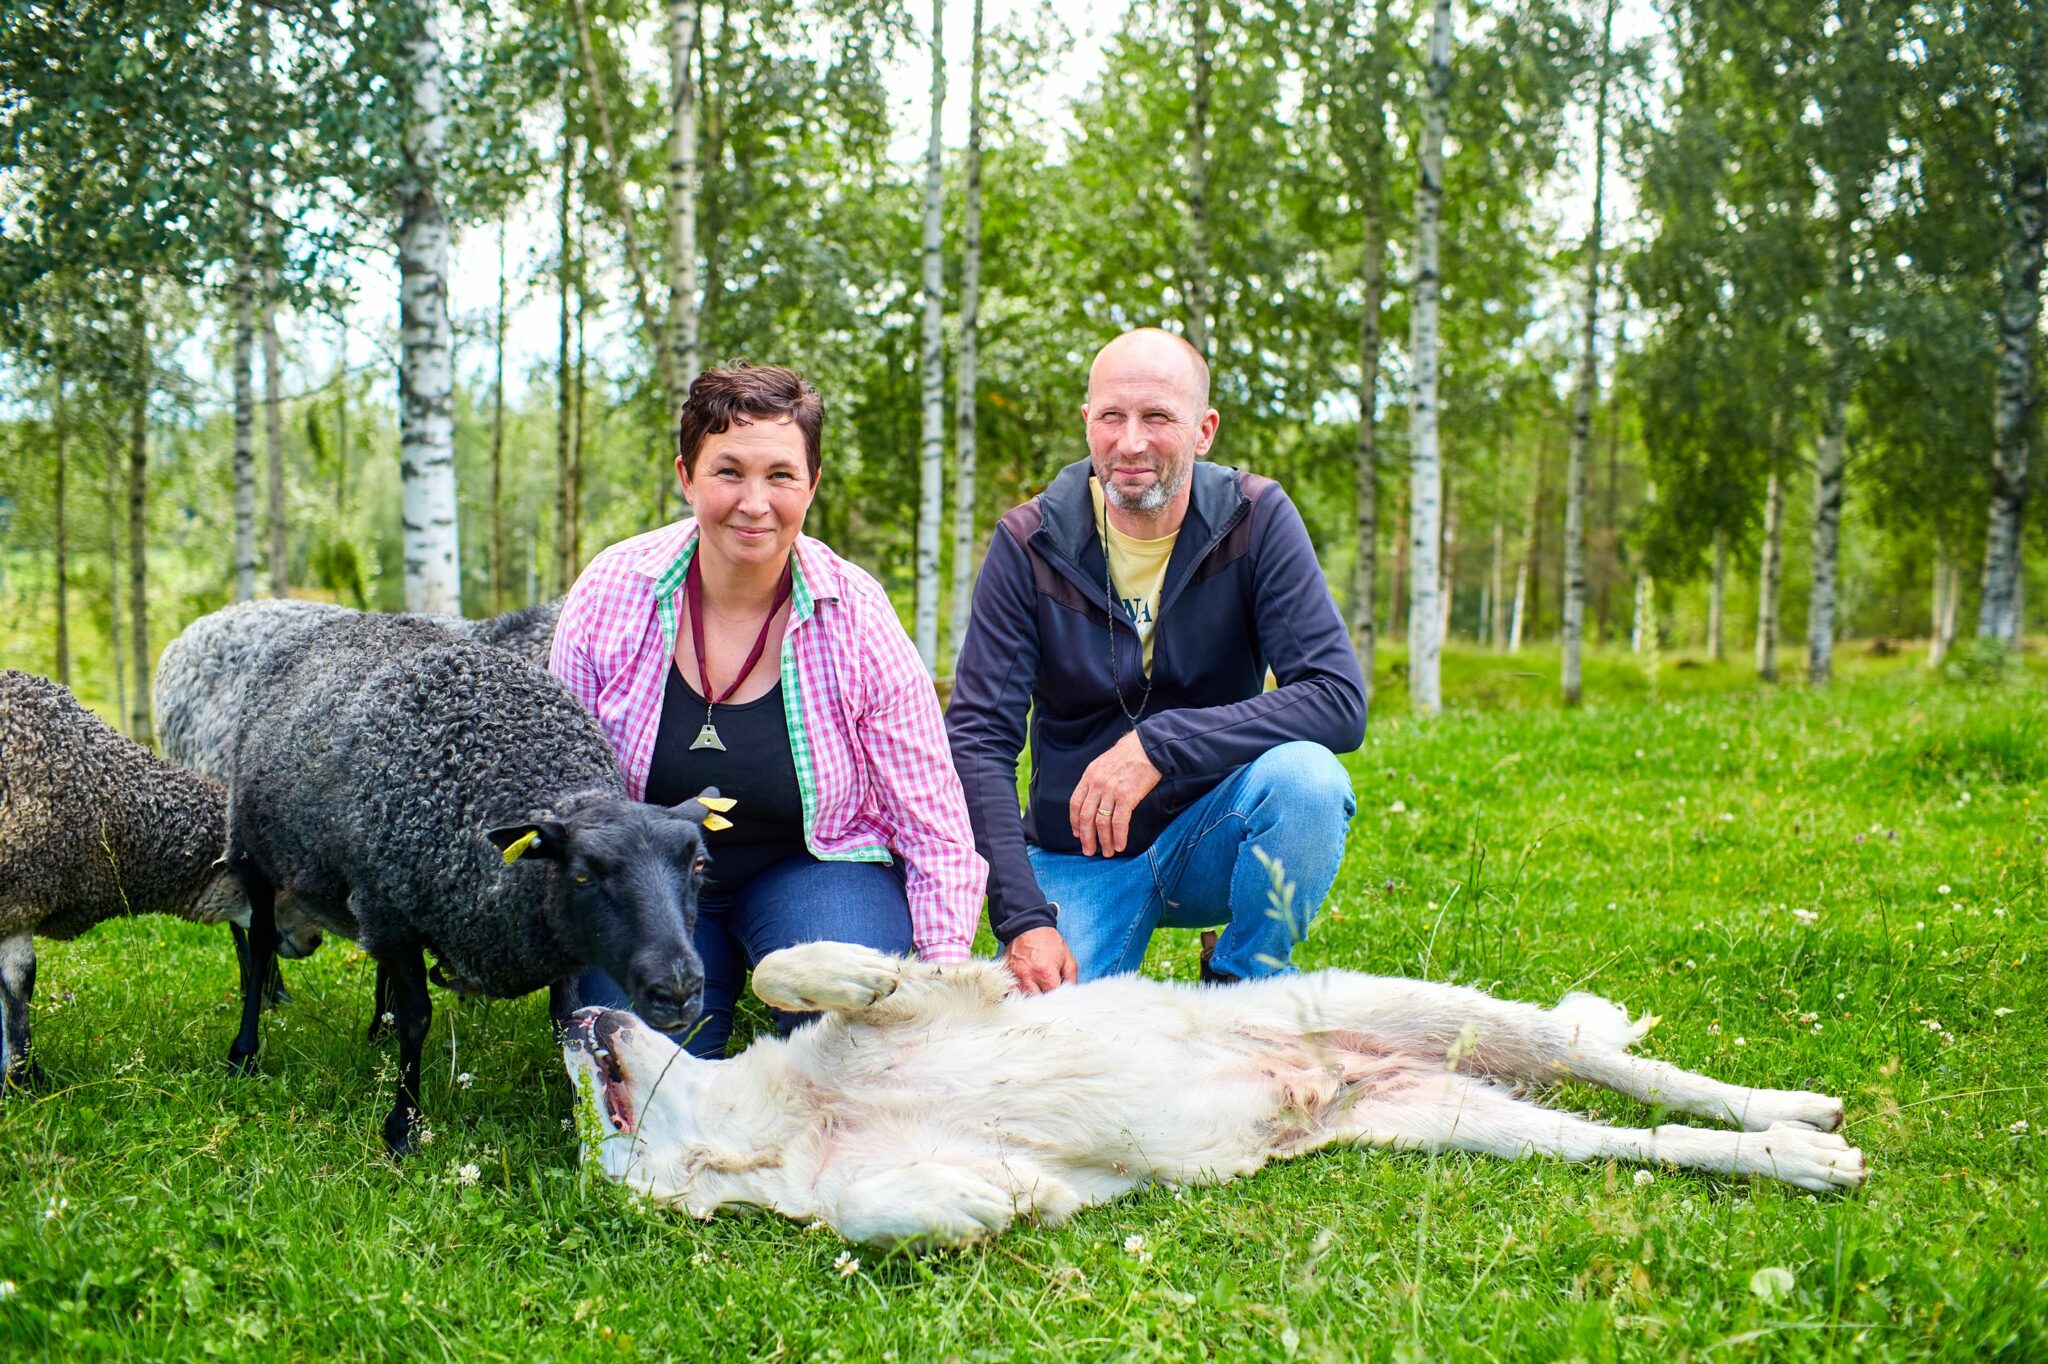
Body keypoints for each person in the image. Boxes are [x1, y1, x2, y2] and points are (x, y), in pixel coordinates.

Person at [549, 362, 985, 1056]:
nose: (755, 502)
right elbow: (562, 784)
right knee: (648, 1067)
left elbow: (930, 814)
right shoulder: (612, 590)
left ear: (811, 484)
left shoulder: (856, 611)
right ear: (686, 477)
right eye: (728, 471)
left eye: (781, 475)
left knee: (854, 1043)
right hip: (645, 883)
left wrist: (941, 974)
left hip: (815, 866)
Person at [946, 328, 1364, 993]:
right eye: (1112, 416)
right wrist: (1024, 919)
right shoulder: (1029, 542)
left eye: (1158, 418)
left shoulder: (1255, 519)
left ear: (1204, 431)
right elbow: (977, 740)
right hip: (1076, 853)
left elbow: (1338, 700)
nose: (1130, 442)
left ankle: (1242, 986)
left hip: (1215, 830)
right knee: (1051, 1056)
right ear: (1088, 421)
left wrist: (1161, 745)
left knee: (1308, 781)